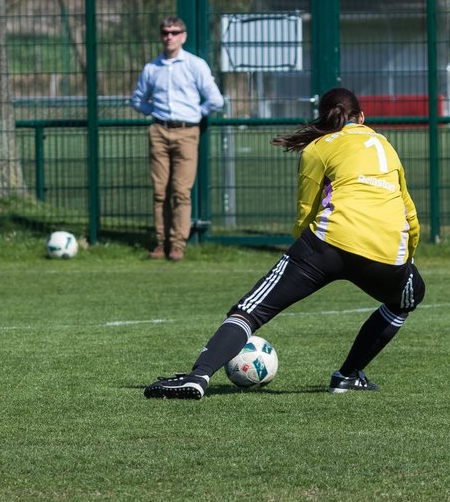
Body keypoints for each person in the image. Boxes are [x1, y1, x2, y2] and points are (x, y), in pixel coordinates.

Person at [144, 87, 424, 400]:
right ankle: (347, 376)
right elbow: (408, 212)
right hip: (387, 252)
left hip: (326, 244)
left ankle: (198, 377)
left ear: (325, 118)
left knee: (249, 311)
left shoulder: (318, 147)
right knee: (409, 297)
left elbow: (306, 212)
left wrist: (302, 260)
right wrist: (407, 258)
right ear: (362, 117)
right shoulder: (385, 146)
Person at [130, 15, 225, 261]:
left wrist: (195, 114)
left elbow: (215, 100)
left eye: (174, 32)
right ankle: (161, 242)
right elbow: (138, 99)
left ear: (183, 36)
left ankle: (177, 244)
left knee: (181, 191)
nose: (169, 37)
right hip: (159, 131)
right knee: (159, 191)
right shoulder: (152, 68)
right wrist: (155, 113)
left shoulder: (195, 65)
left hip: (187, 132)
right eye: (165, 32)